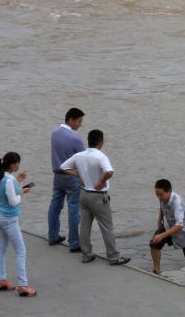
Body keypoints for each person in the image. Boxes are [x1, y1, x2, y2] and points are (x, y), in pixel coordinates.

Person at [59, 129, 130, 266]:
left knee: (85, 227)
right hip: (98, 196)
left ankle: (86, 254)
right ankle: (113, 257)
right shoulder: (100, 156)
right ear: (101, 142)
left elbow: (63, 167)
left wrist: (78, 175)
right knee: (107, 227)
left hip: (84, 194)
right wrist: (102, 182)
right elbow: (109, 171)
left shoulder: (79, 155)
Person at [0, 152, 36, 297]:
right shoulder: (9, 180)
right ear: (12, 164)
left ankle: (1, 279)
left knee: (2, 248)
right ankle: (22, 285)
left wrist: (18, 180)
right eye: (17, 163)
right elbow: (13, 201)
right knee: (21, 251)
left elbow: (6, 191)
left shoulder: (2, 177)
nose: (19, 165)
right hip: (9, 219)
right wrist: (22, 192)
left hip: (0, 215)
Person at [150, 179, 185, 285]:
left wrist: (162, 235)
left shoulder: (177, 202)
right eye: (157, 195)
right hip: (168, 225)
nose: (159, 197)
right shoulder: (162, 198)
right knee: (154, 243)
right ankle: (157, 272)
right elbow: (161, 208)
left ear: (169, 191)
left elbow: (179, 225)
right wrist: (159, 220)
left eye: (161, 195)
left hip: (184, 233)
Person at [48, 107, 85, 250]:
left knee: (55, 206)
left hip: (57, 175)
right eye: (79, 121)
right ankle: (74, 243)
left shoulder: (54, 132)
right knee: (74, 209)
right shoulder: (76, 138)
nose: (80, 124)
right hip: (72, 177)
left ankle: (52, 236)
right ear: (70, 120)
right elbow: (83, 160)